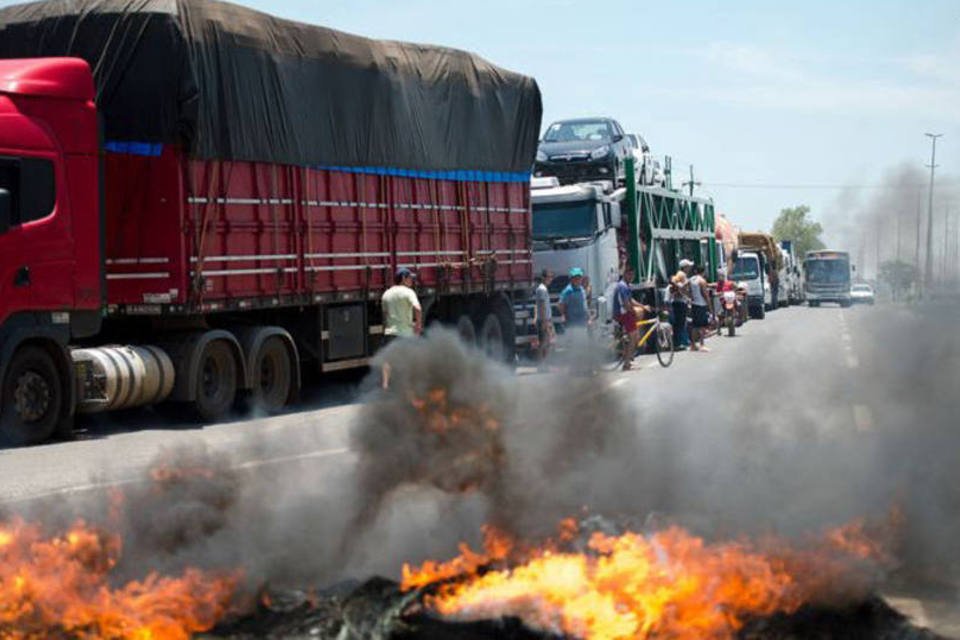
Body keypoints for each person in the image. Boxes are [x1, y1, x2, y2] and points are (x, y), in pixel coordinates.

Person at [380, 268, 422, 388]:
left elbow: (385, 315)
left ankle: (385, 385)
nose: (412, 281)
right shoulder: (408, 292)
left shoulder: (386, 294)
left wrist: (385, 330)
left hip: (390, 332)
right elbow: (418, 308)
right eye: (410, 278)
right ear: (403, 278)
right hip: (405, 333)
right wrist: (418, 325)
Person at [612, 265, 650, 371]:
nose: (631, 276)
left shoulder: (625, 285)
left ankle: (628, 354)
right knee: (634, 337)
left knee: (633, 335)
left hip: (623, 313)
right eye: (629, 274)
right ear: (624, 274)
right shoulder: (622, 286)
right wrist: (634, 312)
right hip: (623, 314)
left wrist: (643, 306)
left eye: (632, 275)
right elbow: (626, 304)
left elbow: (631, 300)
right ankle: (627, 364)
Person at [670, 259, 694, 349]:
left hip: (680, 301)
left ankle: (681, 342)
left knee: (681, 322)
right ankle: (678, 343)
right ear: (685, 267)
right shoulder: (681, 274)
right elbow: (673, 281)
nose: (690, 268)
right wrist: (681, 290)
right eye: (688, 266)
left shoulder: (682, 274)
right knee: (679, 323)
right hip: (679, 301)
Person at [534, 269, 554, 371]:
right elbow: (541, 306)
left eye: (551, 277)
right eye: (549, 277)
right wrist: (544, 321)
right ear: (544, 278)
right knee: (543, 343)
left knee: (546, 343)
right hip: (544, 320)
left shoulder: (543, 289)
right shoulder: (542, 289)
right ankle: (541, 365)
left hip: (545, 319)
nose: (550, 279)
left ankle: (544, 364)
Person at [688, 264, 711, 352]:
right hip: (701, 304)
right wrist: (709, 306)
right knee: (702, 326)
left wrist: (691, 298)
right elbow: (705, 294)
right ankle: (702, 344)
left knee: (695, 325)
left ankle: (693, 345)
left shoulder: (691, 280)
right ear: (703, 272)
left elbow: (689, 291)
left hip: (694, 304)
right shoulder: (702, 281)